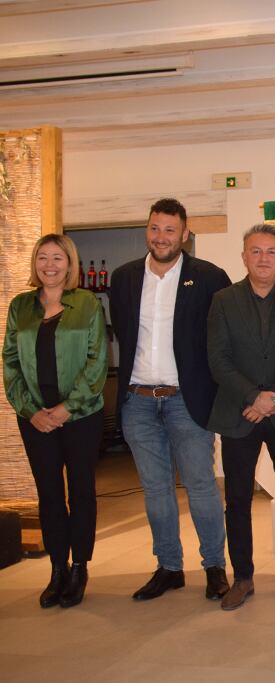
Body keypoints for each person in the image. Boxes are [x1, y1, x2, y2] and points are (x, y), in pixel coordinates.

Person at [109, 198, 232, 602]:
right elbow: (125, 338)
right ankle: (169, 567)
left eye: (169, 230)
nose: (161, 237)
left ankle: (214, 566)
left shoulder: (211, 277)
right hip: (139, 401)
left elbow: (222, 341)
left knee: (200, 486)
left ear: (185, 233)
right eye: (155, 228)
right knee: (156, 489)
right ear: (148, 230)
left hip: (187, 400)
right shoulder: (124, 278)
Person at [206, 224, 275, 610]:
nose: (263, 258)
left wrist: (273, 399)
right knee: (237, 500)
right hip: (239, 412)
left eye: (271, 251)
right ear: (243, 256)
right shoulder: (223, 300)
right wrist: (253, 396)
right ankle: (242, 578)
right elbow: (217, 358)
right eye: (255, 251)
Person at [3, 234, 106, 608]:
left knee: (81, 491)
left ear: (70, 264)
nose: (50, 264)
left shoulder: (87, 304)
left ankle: (79, 567)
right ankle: (57, 568)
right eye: (43, 257)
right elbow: (10, 364)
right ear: (35, 263)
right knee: (49, 494)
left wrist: (67, 408)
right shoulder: (20, 307)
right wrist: (31, 411)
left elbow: (96, 363)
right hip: (35, 417)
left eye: (58, 258)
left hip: (81, 415)